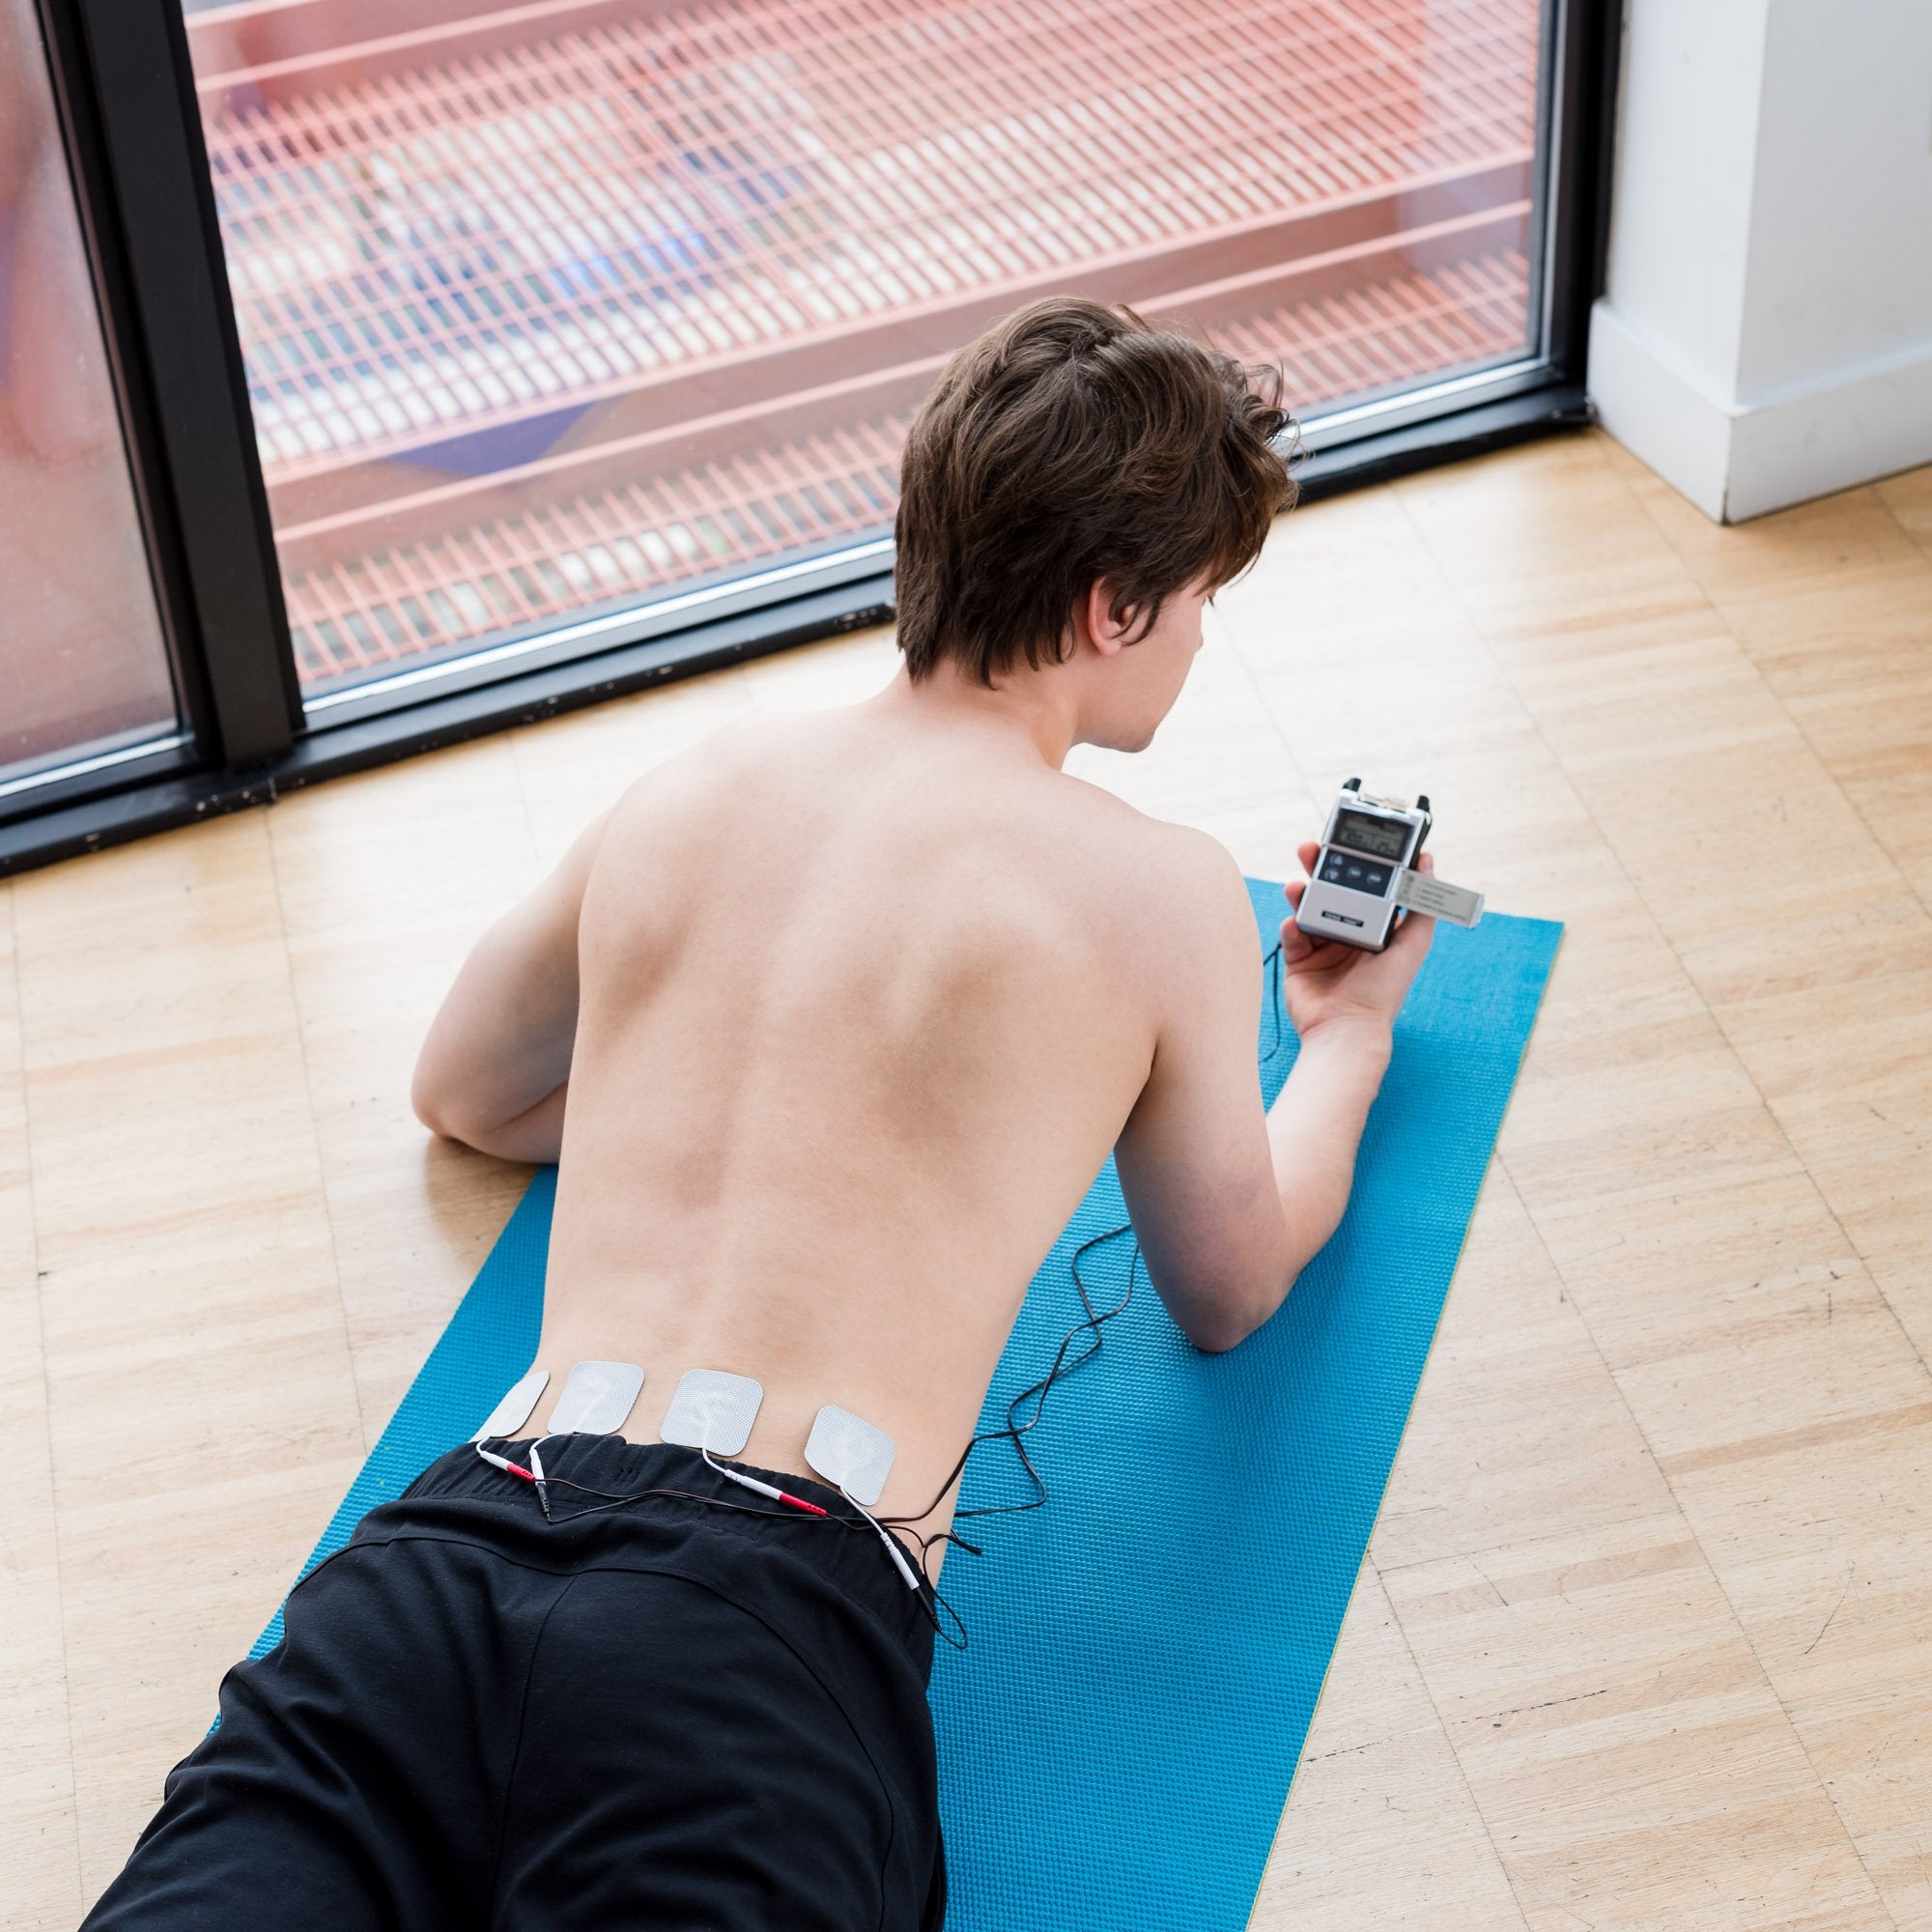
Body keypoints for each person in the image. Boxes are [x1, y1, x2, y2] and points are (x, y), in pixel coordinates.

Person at [82, 297, 1435, 1931]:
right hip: (760, 1619)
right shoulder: (1155, 890)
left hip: (439, 1565)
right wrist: (1345, 1036)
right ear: (1113, 605)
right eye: (1205, 598)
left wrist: (717, 1094)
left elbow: (462, 1096)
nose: (1205, 636)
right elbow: (1229, 1289)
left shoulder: (691, 787)